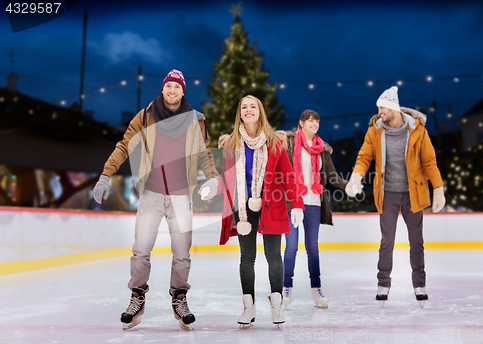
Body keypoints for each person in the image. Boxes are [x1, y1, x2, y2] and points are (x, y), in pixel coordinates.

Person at [92, 69, 218, 330]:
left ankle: (180, 298)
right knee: (141, 250)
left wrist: (212, 177)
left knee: (182, 253)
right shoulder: (146, 115)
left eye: (177, 88)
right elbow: (125, 144)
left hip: (181, 195)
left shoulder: (196, 120)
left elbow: (205, 152)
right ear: (163, 89)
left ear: (184, 92)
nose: (172, 92)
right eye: (168, 87)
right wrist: (106, 175)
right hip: (151, 192)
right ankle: (137, 297)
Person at [345, 86, 446, 302]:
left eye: (382, 107)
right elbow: (364, 157)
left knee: (416, 240)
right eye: (378, 108)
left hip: (413, 194)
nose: (379, 111)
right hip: (387, 193)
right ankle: (383, 284)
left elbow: (429, 161)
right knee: (387, 241)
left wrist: (438, 188)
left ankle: (419, 284)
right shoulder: (375, 130)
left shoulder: (418, 130)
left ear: (393, 107)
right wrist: (355, 177)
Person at [216, 95, 304, 327]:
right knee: (247, 258)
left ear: (260, 111)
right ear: (239, 114)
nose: (248, 110)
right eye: (243, 107)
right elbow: (224, 177)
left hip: (271, 207)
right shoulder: (230, 144)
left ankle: (276, 304)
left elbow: (288, 175)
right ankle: (249, 307)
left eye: (252, 106)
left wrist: (296, 203)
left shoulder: (275, 142)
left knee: (274, 257)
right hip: (243, 210)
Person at [282, 110, 348, 308]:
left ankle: (317, 291)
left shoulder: (322, 149)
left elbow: (333, 177)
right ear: (301, 123)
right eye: (310, 120)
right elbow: (283, 172)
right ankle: (286, 290)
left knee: (313, 248)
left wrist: (350, 185)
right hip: (293, 203)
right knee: (291, 247)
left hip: (313, 204)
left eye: (317, 120)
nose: (314, 123)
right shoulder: (290, 143)